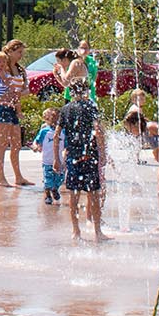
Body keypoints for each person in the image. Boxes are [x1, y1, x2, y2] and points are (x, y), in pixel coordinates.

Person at [59, 81, 109, 241]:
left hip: (73, 155)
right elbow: (98, 131)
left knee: (74, 194)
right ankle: (98, 232)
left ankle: (76, 231)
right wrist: (103, 153)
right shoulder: (90, 106)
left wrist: (56, 158)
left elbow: (56, 135)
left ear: (71, 93)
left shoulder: (65, 109)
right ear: (87, 91)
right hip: (89, 154)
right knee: (93, 193)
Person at [0, 40, 32, 187]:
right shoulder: (0, 67)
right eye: (19, 52)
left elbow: (27, 88)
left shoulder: (20, 70)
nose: (21, 55)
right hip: (2, 107)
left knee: (16, 143)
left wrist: (21, 93)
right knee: (2, 144)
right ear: (11, 51)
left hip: (14, 108)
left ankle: (18, 176)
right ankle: (1, 178)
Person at [31, 108, 65, 205]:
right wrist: (36, 146)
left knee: (60, 178)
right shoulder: (44, 131)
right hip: (47, 160)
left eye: (58, 119)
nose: (55, 121)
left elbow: (66, 145)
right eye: (53, 119)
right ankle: (47, 194)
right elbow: (37, 142)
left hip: (60, 160)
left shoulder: (63, 132)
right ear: (48, 120)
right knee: (48, 179)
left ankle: (54, 189)